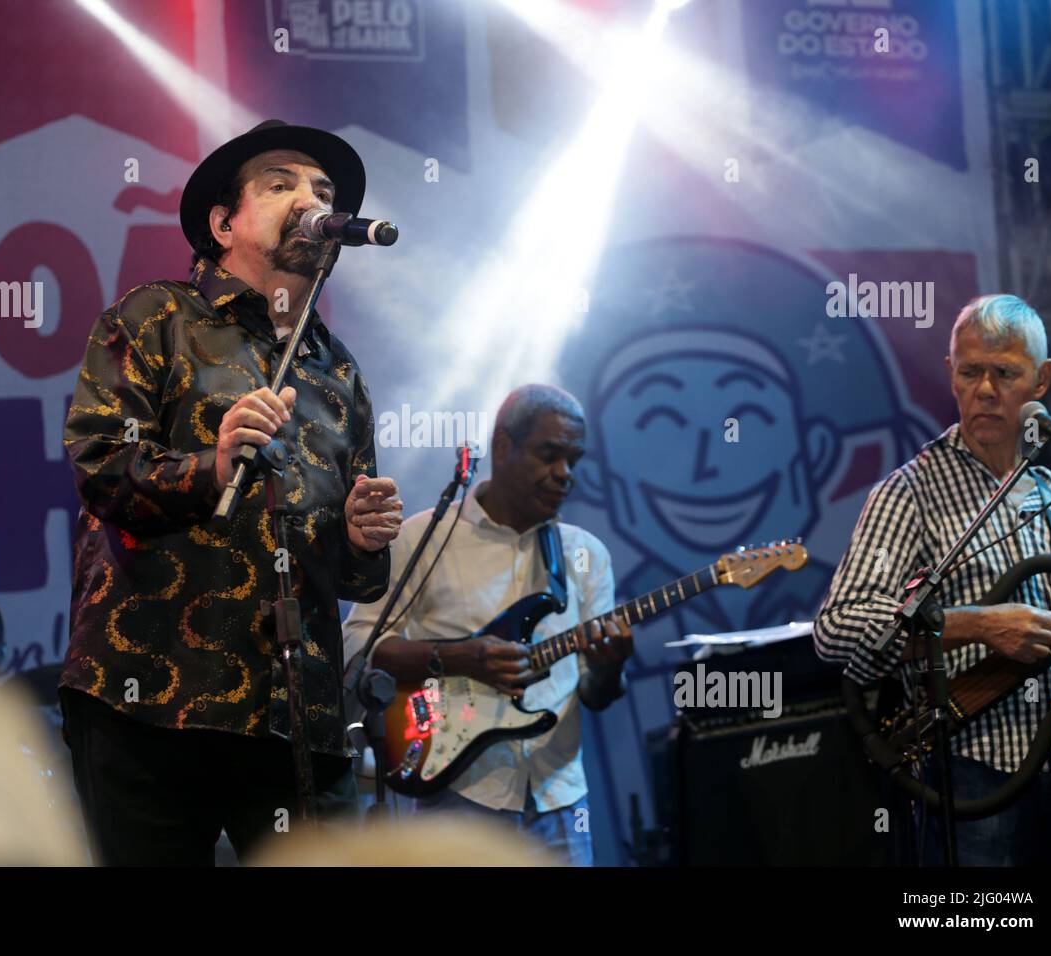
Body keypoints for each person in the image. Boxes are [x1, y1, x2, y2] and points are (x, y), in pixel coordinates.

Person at [59, 119, 403, 865]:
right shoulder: (154, 318)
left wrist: (361, 538)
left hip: (296, 711)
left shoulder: (337, 372)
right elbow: (101, 470)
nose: (309, 199)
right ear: (223, 223)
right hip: (150, 696)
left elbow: (350, 578)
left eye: (323, 191)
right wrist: (209, 468)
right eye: (281, 186)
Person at [815, 294, 1051, 865]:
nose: (985, 389)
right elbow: (836, 630)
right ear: (950, 374)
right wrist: (981, 625)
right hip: (974, 776)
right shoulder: (909, 492)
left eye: (1005, 373)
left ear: (1042, 381)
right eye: (970, 372)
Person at [343, 384, 631, 866]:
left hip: (559, 800)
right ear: (503, 446)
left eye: (573, 461)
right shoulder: (425, 535)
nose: (564, 474)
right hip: (456, 794)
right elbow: (359, 643)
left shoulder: (587, 556)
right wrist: (460, 658)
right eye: (549, 455)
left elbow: (596, 695)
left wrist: (608, 667)